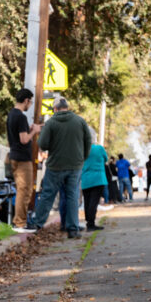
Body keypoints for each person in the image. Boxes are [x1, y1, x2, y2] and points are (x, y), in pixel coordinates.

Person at [31, 97, 91, 239]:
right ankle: (72, 229)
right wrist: (83, 157)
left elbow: (43, 144)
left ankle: (37, 224)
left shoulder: (51, 123)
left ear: (55, 109)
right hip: (75, 165)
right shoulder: (79, 121)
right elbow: (88, 140)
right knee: (72, 196)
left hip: (55, 165)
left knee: (48, 195)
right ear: (67, 108)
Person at [6, 89, 42, 232]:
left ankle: (20, 221)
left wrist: (29, 128)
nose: (30, 105)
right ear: (26, 100)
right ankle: (20, 223)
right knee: (25, 190)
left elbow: (17, 136)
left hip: (14, 156)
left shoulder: (11, 114)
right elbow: (24, 139)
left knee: (22, 189)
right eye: (30, 102)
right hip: (22, 159)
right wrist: (34, 131)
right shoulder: (20, 116)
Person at [80, 127, 108, 231]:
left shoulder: (82, 149)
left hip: (86, 179)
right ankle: (91, 223)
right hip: (98, 178)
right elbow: (105, 159)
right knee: (94, 202)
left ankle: (88, 222)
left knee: (87, 201)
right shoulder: (99, 149)